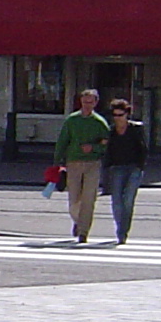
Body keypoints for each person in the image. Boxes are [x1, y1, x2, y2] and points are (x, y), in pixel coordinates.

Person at [54, 88, 110, 244]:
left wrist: (93, 148)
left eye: (90, 102)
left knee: (89, 198)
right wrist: (57, 162)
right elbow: (63, 141)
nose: (87, 105)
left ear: (96, 103)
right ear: (80, 102)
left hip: (93, 163)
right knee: (74, 198)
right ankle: (77, 221)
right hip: (73, 163)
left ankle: (83, 232)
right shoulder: (72, 120)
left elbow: (107, 143)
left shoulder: (100, 122)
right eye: (85, 102)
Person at [103, 98, 148, 244]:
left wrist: (140, 166)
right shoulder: (110, 131)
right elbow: (107, 150)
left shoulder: (135, 128)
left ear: (127, 114)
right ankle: (120, 230)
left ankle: (123, 232)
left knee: (128, 200)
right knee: (116, 200)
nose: (118, 118)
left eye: (120, 115)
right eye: (115, 115)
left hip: (133, 167)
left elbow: (143, 148)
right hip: (117, 168)